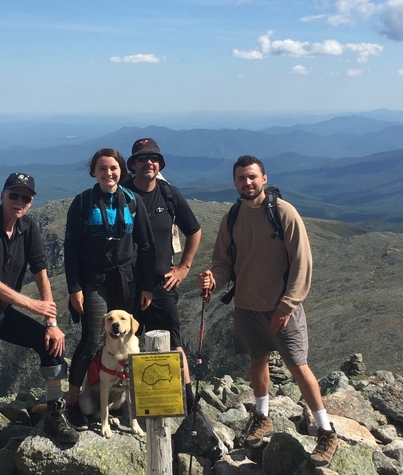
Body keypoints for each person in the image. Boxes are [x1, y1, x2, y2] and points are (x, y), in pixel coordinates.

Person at [196, 155, 338, 466]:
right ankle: (262, 416)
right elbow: (223, 264)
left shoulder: (283, 213)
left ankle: (326, 431)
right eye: (241, 178)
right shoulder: (232, 218)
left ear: (263, 178)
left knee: (298, 366)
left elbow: (302, 262)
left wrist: (287, 305)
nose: (247, 183)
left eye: (252, 177)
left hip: (280, 308)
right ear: (235, 182)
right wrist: (213, 280)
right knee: (257, 360)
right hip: (247, 306)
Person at [0, 173, 78, 470]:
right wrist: (32, 304)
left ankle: (53, 411)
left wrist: (51, 322)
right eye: (14, 195)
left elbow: (41, 272)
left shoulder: (28, 226)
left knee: (50, 344)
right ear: (2, 196)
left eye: (26, 198)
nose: (20, 202)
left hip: (3, 314)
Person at [63, 148, 156, 426]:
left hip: (126, 278)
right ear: (93, 171)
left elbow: (147, 245)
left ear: (121, 171)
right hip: (95, 279)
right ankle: (73, 400)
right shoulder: (82, 202)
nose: (108, 173)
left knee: (128, 338)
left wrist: (147, 286)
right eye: (102, 169)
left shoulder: (133, 201)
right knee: (93, 339)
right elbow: (71, 249)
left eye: (113, 168)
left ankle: (126, 403)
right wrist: (74, 287)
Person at [122, 138, 202, 412]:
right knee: (124, 341)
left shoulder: (170, 195)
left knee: (173, 342)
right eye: (142, 158)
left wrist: (183, 268)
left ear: (160, 164)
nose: (149, 163)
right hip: (126, 284)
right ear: (132, 164)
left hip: (161, 284)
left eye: (154, 158)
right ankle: (127, 402)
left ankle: (187, 401)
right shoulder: (119, 194)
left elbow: (194, 230)